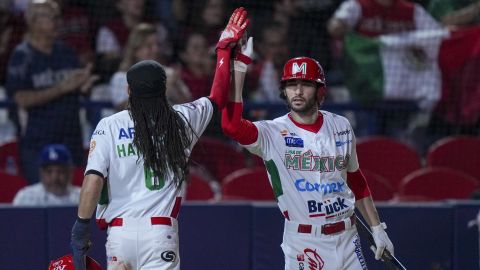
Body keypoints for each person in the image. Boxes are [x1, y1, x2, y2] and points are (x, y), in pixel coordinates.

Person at [70, 7, 249, 270]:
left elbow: (93, 179)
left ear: (129, 90)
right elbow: (217, 97)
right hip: (161, 233)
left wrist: (81, 226)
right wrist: (223, 51)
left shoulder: (109, 125)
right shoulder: (182, 119)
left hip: (121, 234)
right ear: (164, 89)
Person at [221, 37, 395, 268]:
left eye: (306, 84)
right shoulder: (273, 132)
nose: (298, 91)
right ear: (284, 90)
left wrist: (376, 228)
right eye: (292, 85)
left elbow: (356, 179)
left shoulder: (341, 125)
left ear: (320, 90)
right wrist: (240, 68)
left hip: (348, 236)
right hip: (304, 242)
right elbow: (231, 126)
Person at [5, 0, 98, 184]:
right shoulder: (22, 56)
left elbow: (75, 87)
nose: (58, 22)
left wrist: (83, 86)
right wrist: (62, 88)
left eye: (59, 17)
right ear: (33, 22)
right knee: (42, 195)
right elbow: (22, 99)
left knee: (74, 197)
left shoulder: (66, 52)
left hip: (70, 137)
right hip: (38, 140)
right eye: (52, 18)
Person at [109, 23, 191, 111]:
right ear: (136, 50)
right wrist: (167, 86)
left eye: (157, 45)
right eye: (149, 46)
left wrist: (176, 84)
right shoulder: (121, 78)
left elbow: (187, 106)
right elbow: (126, 109)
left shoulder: (168, 73)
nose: (156, 50)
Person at [12, 144, 80, 206]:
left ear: (70, 172)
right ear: (41, 172)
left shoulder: (82, 197)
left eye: (61, 171)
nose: (55, 177)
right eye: (49, 171)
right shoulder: (26, 197)